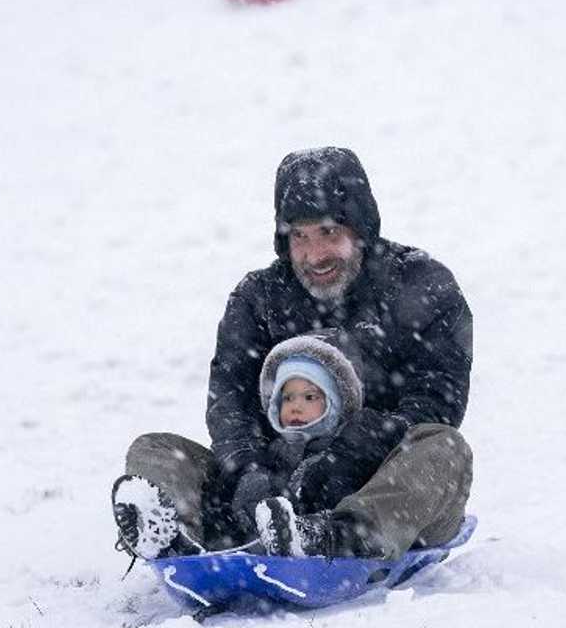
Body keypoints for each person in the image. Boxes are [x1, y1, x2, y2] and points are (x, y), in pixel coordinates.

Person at [112, 146, 474, 563]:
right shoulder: (258, 298)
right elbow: (230, 400)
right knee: (155, 450)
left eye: (328, 233)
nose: (314, 255)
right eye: (299, 237)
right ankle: (175, 537)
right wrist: (248, 472)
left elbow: (436, 404)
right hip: (274, 486)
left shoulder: (422, 286)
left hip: (384, 490)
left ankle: (332, 539)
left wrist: (352, 454)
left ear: (361, 231)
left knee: (445, 448)